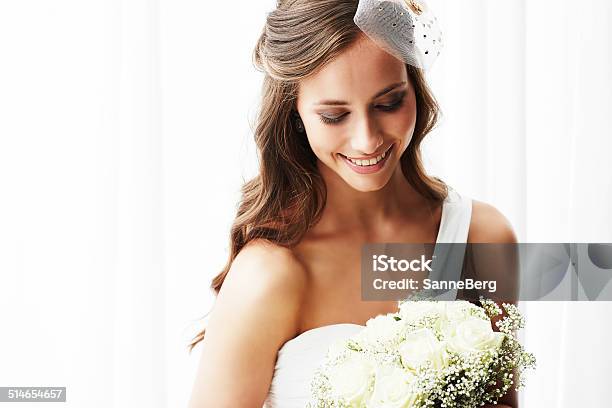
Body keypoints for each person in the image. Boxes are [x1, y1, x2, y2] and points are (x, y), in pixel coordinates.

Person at [188, 0, 518, 406]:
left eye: (389, 103)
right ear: (294, 111)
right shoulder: (270, 273)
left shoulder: (482, 238)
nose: (367, 140)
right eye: (333, 116)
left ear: (415, 88)